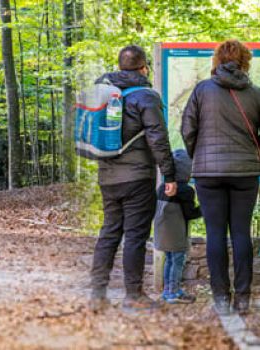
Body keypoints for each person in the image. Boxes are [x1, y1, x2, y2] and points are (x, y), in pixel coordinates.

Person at [90, 45, 177, 312]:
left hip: (107, 175)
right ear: (144, 68)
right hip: (137, 176)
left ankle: (97, 294)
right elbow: (157, 137)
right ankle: (133, 295)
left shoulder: (104, 92)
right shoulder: (145, 96)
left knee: (109, 232)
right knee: (136, 235)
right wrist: (169, 173)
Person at [181, 40, 260, 315]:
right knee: (241, 233)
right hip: (246, 173)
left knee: (215, 233)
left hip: (208, 173)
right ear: (245, 61)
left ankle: (221, 299)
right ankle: (243, 298)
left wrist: (198, 155)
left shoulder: (202, 90)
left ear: (217, 60)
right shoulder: (255, 94)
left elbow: (188, 129)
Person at [154, 149, 201, 304]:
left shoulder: (162, 187)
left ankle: (168, 291)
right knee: (177, 261)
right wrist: (205, 208)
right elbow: (190, 214)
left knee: (169, 260)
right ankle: (173, 292)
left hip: (162, 233)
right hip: (176, 234)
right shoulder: (186, 191)